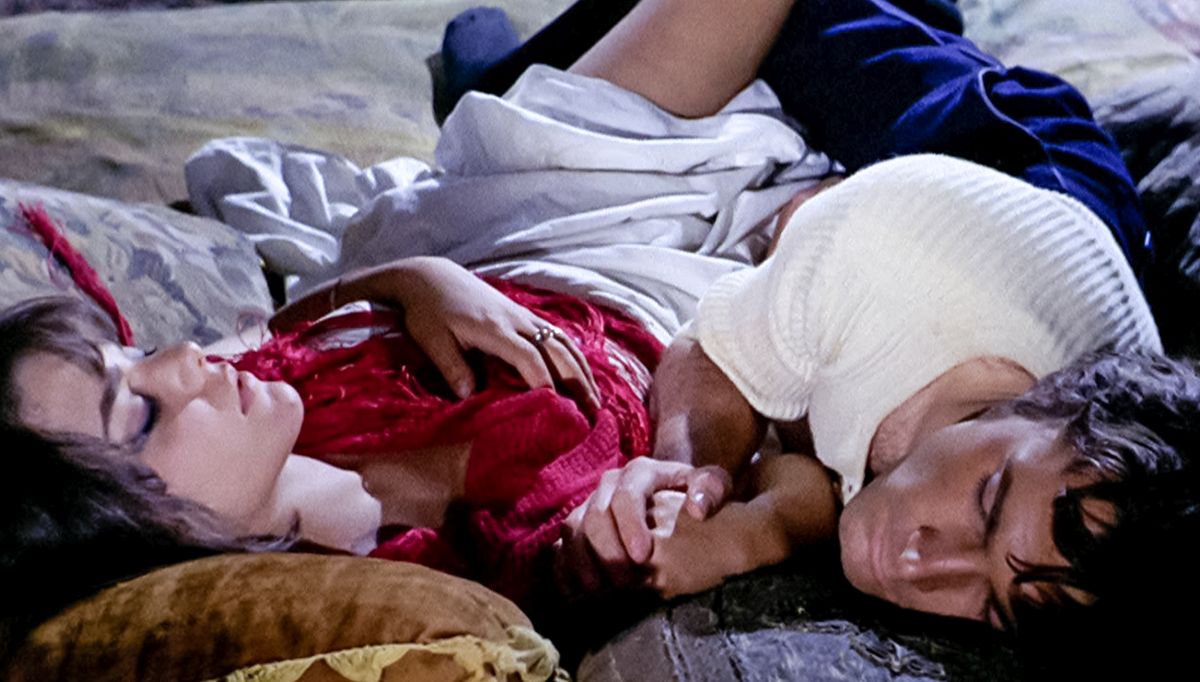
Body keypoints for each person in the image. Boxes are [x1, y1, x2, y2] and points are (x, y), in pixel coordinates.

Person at [1, 0, 1194, 671]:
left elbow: (304, 317)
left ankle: (492, 59)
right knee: (910, 58)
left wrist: (420, 278)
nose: (925, 559)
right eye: (135, 405)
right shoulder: (425, 557)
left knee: (508, 125)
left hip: (554, 245)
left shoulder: (242, 412)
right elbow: (746, 439)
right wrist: (720, 490)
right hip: (1001, 197)